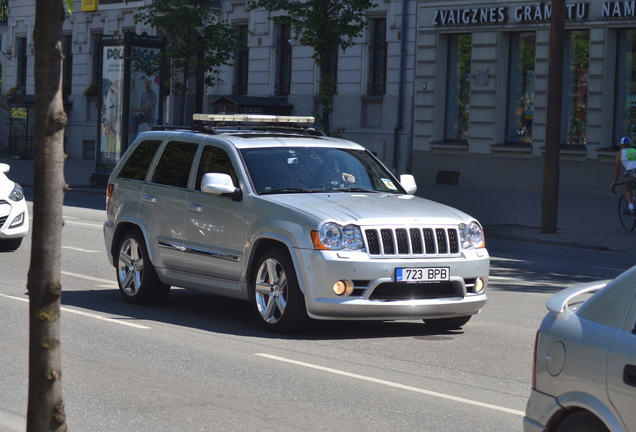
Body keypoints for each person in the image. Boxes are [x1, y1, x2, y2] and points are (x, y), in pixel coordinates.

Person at [611, 136, 636, 214]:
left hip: (632, 173)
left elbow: (617, 170)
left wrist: (614, 182)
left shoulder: (619, 154)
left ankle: (631, 208)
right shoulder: (635, 150)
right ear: (630, 145)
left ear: (621, 145)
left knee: (627, 188)